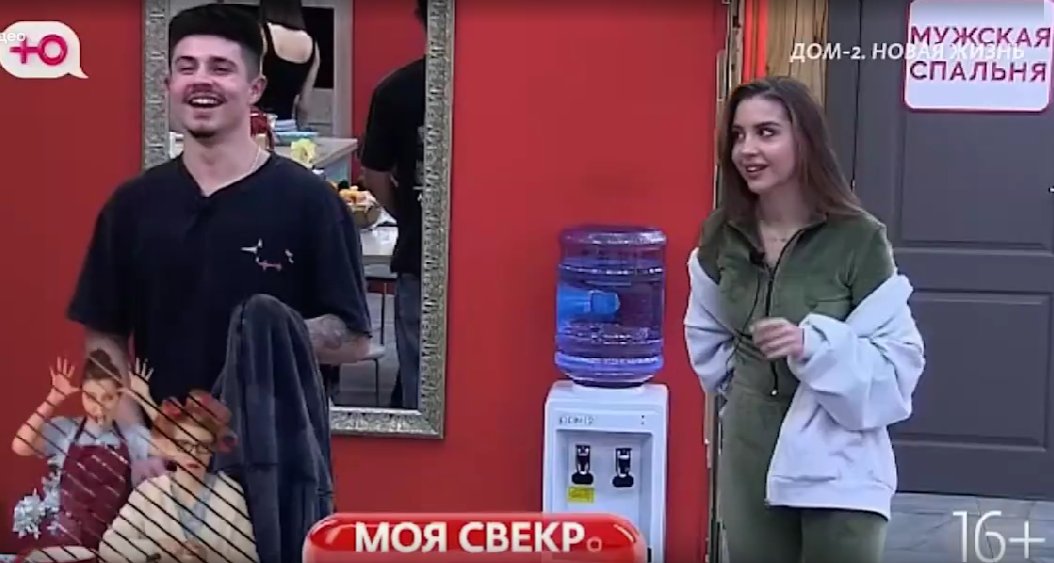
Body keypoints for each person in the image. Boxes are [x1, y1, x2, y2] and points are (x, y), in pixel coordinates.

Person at [66, 4, 371, 407]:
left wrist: (268, 331)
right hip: (163, 439)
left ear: (255, 89)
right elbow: (104, 335)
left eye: (221, 68)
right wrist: (133, 434)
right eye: (187, 67)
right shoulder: (132, 206)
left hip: (278, 440)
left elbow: (354, 338)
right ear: (168, 84)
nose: (201, 80)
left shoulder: (311, 202)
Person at [683, 76, 926, 563]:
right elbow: (705, 330)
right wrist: (746, 390)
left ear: (805, 139)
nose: (747, 149)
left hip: (839, 458)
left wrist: (813, 346)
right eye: (738, 135)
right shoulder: (722, 234)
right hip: (750, 452)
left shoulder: (858, 239)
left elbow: (898, 366)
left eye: (767, 132)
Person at [11, 352, 153, 556]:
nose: (99, 407)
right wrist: (52, 400)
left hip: (119, 547)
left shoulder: (133, 436)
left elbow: (175, 448)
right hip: (67, 548)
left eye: (108, 398)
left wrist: (145, 400)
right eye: (91, 397)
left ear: (119, 397)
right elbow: (20, 445)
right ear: (81, 395)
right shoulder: (65, 430)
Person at [100, 391, 258, 563]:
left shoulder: (229, 494)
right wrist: (159, 549)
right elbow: (108, 547)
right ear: (171, 447)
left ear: (212, 449)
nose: (194, 454)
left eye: (203, 446)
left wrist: (208, 557)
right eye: (184, 445)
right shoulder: (149, 493)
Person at [360, 0, 426, 409]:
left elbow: (374, 175)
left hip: (419, 252)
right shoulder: (503, 86)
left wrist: (410, 216)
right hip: (486, 259)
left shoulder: (396, 90)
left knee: (422, 383)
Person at [256, 0, 320, 125]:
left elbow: (251, 84)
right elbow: (303, 106)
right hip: (287, 126)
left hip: (259, 124)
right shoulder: (312, 44)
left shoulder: (262, 34)